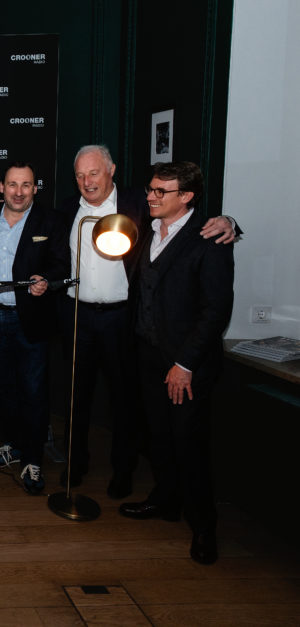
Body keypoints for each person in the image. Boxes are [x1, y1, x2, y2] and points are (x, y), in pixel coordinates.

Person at [56, 145, 237, 498]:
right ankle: (75, 465)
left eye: (94, 173)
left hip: (122, 319)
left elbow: (186, 219)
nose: (87, 181)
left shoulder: (141, 205)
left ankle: (123, 472)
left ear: (111, 170)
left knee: (125, 400)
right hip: (77, 316)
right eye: (79, 175)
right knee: (75, 396)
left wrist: (228, 221)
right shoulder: (66, 210)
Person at [119, 161, 233, 565]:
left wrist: (185, 363)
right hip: (148, 354)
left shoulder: (209, 239)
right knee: (159, 437)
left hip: (185, 364)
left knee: (189, 445)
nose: (150, 197)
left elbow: (216, 311)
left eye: (160, 192)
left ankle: (203, 528)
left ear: (186, 197)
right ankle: (165, 500)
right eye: (150, 189)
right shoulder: (148, 229)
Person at [0, 161, 69, 494]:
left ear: (35, 188)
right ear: (1, 187)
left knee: (33, 391)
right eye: (12, 185)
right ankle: (15, 446)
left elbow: (61, 264)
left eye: (26, 185)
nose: (18, 192)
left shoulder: (51, 220)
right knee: (2, 389)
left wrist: (47, 279)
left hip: (29, 318)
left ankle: (32, 458)